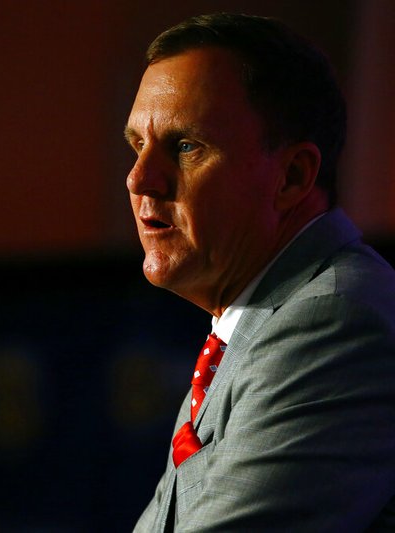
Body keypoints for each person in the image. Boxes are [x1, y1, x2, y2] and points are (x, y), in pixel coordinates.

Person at [125, 13, 395, 531]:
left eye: (185, 146)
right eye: (137, 145)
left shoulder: (331, 323)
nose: (140, 179)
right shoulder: (247, 327)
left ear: (291, 177)